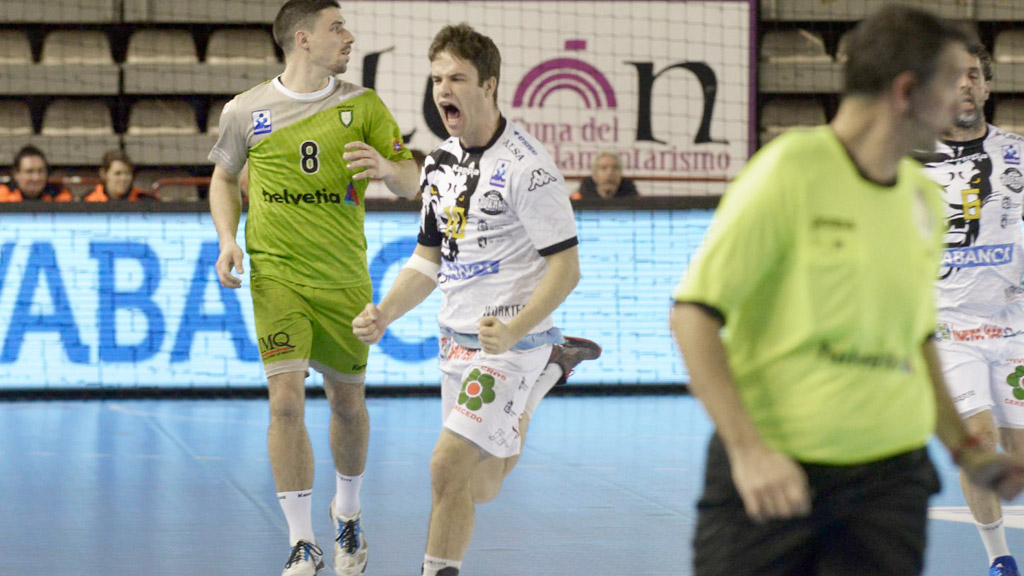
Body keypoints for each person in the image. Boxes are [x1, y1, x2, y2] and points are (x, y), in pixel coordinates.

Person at [670, 7, 1024, 576]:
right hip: (779, 468)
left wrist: (965, 450)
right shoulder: (789, 171)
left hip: (891, 480)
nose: (964, 96)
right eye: (950, 82)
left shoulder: (922, 197)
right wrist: (749, 450)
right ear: (907, 90)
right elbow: (693, 318)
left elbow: (915, 335)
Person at [351, 23, 601, 576]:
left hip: (511, 345)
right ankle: (550, 376)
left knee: (446, 467)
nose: (443, 89)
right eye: (437, 77)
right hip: (454, 344)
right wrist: (385, 312)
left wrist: (515, 331)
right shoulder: (439, 163)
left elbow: (567, 268)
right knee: (480, 485)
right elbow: (427, 259)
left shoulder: (529, 169)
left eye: (457, 77)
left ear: (488, 85)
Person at [206, 1, 420, 575]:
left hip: (344, 277)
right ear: (302, 40)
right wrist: (228, 239)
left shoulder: (363, 105)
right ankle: (303, 541)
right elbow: (223, 178)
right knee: (284, 402)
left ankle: (346, 513)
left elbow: (412, 183)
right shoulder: (246, 110)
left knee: (348, 403)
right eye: (336, 28)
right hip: (276, 274)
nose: (348, 37)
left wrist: (386, 166)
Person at [921, 44, 1024, 576]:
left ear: (986, 88)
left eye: (973, 76)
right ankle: (1000, 561)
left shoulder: (1017, 153)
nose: (964, 84)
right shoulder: (910, 160)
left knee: (1019, 459)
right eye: (952, 77)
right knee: (979, 444)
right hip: (949, 330)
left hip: (1014, 327)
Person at [0, 145, 71, 202]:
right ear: (16, 174)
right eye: (29, 172)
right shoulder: (2, 196)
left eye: (40, 171)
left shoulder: (60, 196)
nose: (36, 178)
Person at [82, 150, 160, 202]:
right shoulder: (87, 200)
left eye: (127, 173)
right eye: (117, 173)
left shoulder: (147, 201)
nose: (123, 178)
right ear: (104, 174)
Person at [571, 151, 637, 200]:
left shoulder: (636, 201)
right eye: (603, 168)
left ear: (620, 174)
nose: (610, 173)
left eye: (615, 168)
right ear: (594, 174)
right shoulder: (577, 201)